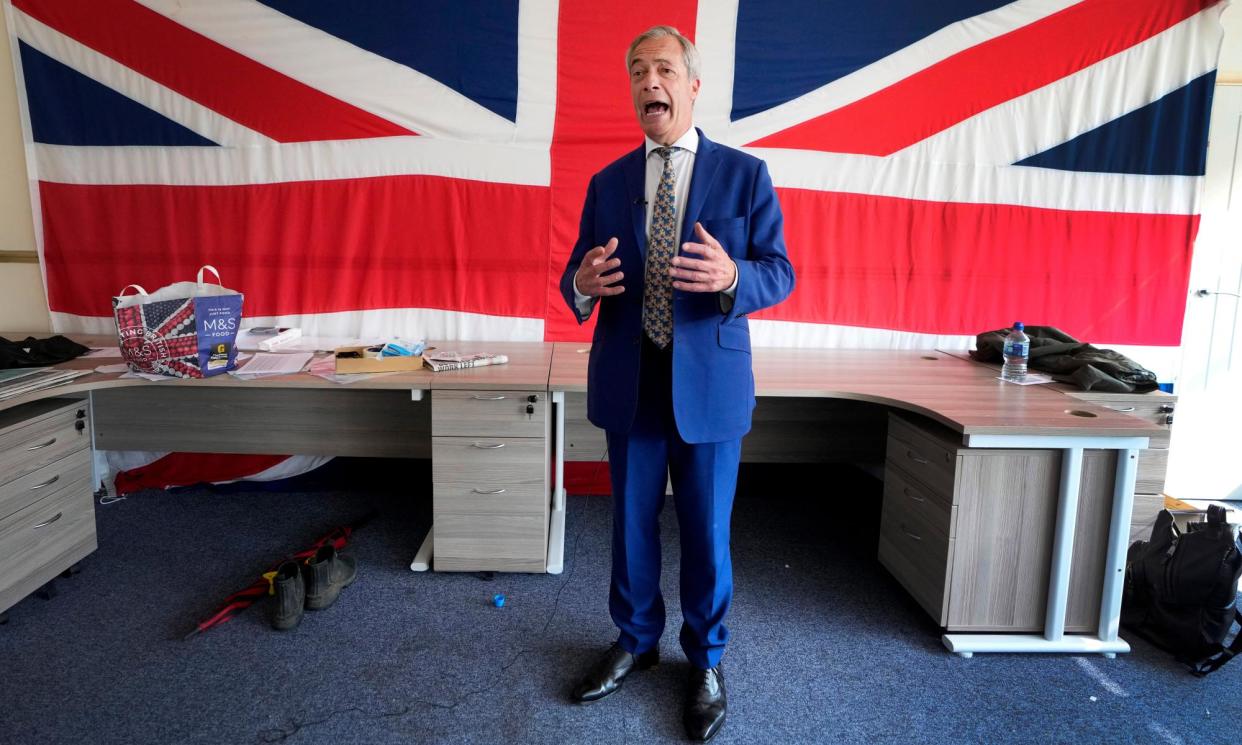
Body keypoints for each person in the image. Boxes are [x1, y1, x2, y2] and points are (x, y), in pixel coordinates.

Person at [559, 25, 795, 742]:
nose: (648, 82)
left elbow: (779, 271)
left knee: (706, 528)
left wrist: (732, 278)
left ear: (692, 86)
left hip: (710, 384)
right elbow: (575, 277)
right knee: (629, 526)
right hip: (630, 379)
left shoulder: (745, 176)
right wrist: (580, 284)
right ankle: (633, 641)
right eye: (637, 71)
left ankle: (707, 659)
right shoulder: (607, 184)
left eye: (663, 69)